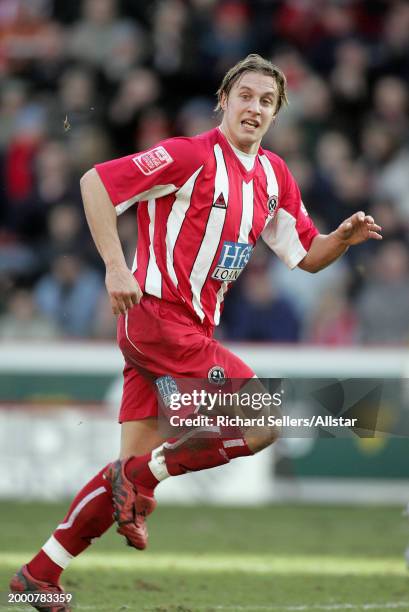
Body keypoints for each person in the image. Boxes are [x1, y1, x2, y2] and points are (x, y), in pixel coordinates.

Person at [10, 54, 382, 611]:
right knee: (263, 419)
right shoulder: (188, 155)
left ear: (276, 114)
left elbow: (306, 255)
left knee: (122, 473)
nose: (254, 108)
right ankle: (146, 476)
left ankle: (38, 577)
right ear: (224, 100)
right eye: (245, 95)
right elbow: (94, 183)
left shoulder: (275, 177)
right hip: (156, 315)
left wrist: (341, 240)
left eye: (266, 101)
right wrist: (115, 266)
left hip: (181, 330)